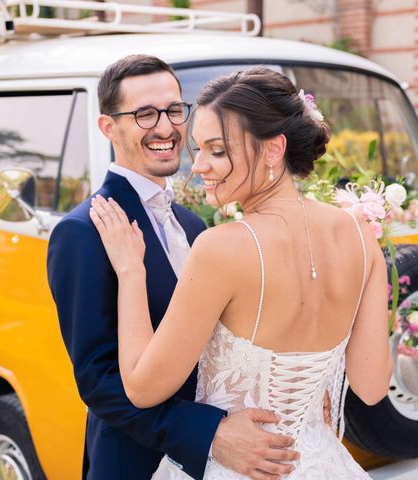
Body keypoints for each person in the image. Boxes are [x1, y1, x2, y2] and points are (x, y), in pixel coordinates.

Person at [88, 66, 393, 479]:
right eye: (198, 150)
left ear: (272, 150)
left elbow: (142, 389)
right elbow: (372, 388)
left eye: (217, 150)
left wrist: (130, 271)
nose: (198, 167)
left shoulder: (222, 247)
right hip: (319, 462)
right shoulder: (361, 236)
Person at [47, 56, 301, 480]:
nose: (165, 128)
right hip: (137, 462)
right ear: (109, 128)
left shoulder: (192, 222)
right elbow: (99, 381)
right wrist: (211, 434)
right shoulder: (82, 232)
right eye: (144, 114)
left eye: (173, 110)